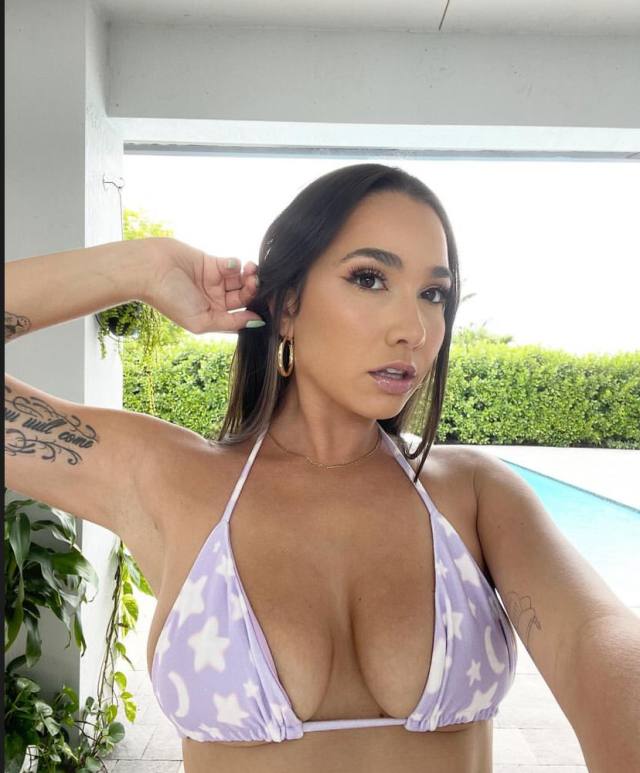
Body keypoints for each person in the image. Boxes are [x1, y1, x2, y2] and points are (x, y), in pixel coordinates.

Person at [5, 163, 639, 773]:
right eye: (369, 278)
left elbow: (595, 638)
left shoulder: (474, 494)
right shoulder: (169, 479)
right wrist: (138, 267)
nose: (414, 329)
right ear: (286, 306)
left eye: (433, 294)